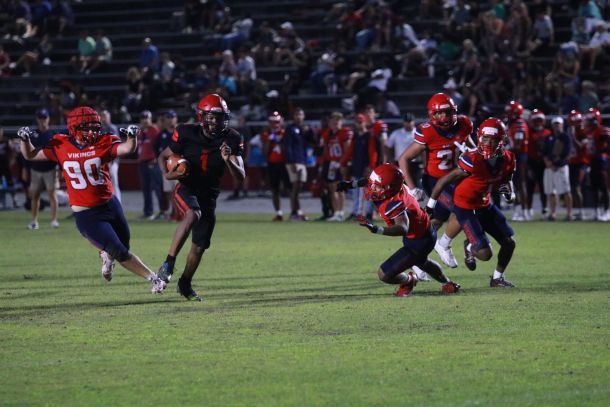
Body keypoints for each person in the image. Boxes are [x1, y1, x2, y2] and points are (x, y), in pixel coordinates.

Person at [17, 106, 167, 294]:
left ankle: (106, 257)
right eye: (87, 128)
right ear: (74, 128)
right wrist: (25, 140)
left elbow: (127, 148)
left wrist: (132, 137)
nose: (93, 132)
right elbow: (30, 154)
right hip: (87, 214)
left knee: (124, 244)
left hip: (110, 205)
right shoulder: (60, 144)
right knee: (120, 251)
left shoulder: (103, 141)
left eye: (95, 127)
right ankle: (154, 279)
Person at [157, 94, 245, 301]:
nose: (215, 121)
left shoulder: (232, 138)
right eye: (211, 117)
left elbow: (241, 176)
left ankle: (185, 284)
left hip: (209, 195)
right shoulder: (186, 132)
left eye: (219, 117)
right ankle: (168, 262)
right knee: (192, 213)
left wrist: (228, 160)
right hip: (186, 188)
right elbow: (163, 156)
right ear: (202, 116)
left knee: (199, 247)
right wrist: (168, 175)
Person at [337, 163, 460, 297]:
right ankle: (448, 283)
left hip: (418, 241)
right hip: (423, 231)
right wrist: (351, 184)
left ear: (388, 188)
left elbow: (402, 228)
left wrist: (377, 229)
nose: (372, 188)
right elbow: (369, 181)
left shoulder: (395, 203)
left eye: (376, 186)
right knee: (422, 261)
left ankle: (409, 280)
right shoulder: (395, 187)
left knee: (384, 274)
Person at [426, 118, 517, 288]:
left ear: (502, 140)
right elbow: (444, 180)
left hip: (485, 204)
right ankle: (469, 247)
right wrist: (430, 205)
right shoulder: (472, 158)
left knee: (509, 243)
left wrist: (510, 193)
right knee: (485, 254)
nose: (488, 143)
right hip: (465, 206)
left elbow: (507, 180)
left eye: (493, 140)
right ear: (479, 137)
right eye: (485, 139)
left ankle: (497, 278)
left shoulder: (508, 158)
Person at [398, 93, 474, 269]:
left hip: (457, 178)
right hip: (435, 181)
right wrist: (412, 188)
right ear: (432, 114)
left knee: (436, 222)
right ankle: (444, 243)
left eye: (447, 112)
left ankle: (415, 257)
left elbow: (471, 147)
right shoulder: (427, 132)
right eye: (440, 113)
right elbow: (403, 158)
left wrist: (472, 152)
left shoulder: (464, 124)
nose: (444, 117)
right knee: (462, 209)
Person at [26, 108, 59, 230]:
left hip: (50, 168)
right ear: (37, 119)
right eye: (40, 118)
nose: (42, 120)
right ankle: (34, 221)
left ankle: (54, 220)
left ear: (48, 119)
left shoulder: (53, 134)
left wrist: (61, 168)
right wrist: (25, 168)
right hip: (35, 169)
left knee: (52, 195)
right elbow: (27, 151)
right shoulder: (32, 134)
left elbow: (59, 152)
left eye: (44, 118)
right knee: (35, 196)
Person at [319, 112, 353, 222]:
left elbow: (347, 150)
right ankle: (336, 212)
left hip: (339, 162)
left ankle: (340, 212)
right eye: (333, 120)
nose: (335, 122)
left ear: (341, 122)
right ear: (329, 122)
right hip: (330, 163)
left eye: (338, 120)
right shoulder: (328, 133)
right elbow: (325, 149)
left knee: (339, 188)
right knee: (331, 188)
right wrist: (322, 164)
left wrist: (341, 163)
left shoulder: (344, 132)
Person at [284, 107, 312, 221]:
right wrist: (291, 161)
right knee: (296, 186)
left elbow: (312, 141)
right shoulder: (290, 129)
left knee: (299, 186)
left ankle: (297, 212)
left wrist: (309, 131)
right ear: (293, 116)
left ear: (303, 116)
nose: (298, 117)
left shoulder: (304, 129)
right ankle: (294, 213)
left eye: (300, 114)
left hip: (302, 160)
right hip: (294, 161)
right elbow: (288, 146)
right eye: (296, 115)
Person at [261, 111, 290, 221]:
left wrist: (281, 140)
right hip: (272, 164)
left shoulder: (286, 133)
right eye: (273, 122)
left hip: (285, 164)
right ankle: (279, 213)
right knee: (275, 189)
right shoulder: (266, 134)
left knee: (289, 188)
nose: (275, 125)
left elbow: (288, 151)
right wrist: (270, 140)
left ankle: (294, 211)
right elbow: (265, 153)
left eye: (277, 122)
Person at [542, 117, 573, 221]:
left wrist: (556, 163)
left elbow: (566, 153)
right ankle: (553, 213)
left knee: (566, 191)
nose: (557, 126)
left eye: (558, 124)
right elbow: (544, 152)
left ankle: (569, 214)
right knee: (551, 191)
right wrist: (549, 164)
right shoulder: (548, 137)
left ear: (562, 125)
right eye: (555, 124)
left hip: (561, 167)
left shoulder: (565, 137)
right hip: (549, 167)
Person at [504, 101, 530, 221]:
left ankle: (524, 211)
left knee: (521, 183)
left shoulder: (519, 124)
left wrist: (505, 149)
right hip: (513, 156)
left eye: (509, 112)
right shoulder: (511, 124)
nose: (507, 114)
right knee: (513, 184)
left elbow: (518, 146)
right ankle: (518, 210)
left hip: (519, 156)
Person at [582, 107, 609, 221]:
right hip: (592, 161)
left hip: (601, 161)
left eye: (589, 120)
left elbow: (607, 145)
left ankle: (607, 211)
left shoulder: (602, 130)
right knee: (594, 188)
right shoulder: (590, 132)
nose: (587, 122)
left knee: (603, 187)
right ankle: (597, 211)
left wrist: (600, 152)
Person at [137, 110, 163, 220]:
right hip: (142, 162)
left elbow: (160, 146)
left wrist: (156, 158)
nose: (145, 120)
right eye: (143, 118)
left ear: (150, 119)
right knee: (145, 189)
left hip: (153, 162)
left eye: (147, 118)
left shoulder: (155, 130)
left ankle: (163, 212)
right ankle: (148, 212)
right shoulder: (140, 131)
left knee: (158, 188)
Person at [566, 110, 589, 220]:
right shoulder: (570, 131)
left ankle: (581, 212)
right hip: (572, 162)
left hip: (581, 163)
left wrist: (573, 136)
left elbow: (580, 146)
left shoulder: (583, 132)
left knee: (577, 187)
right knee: (572, 188)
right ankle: (578, 211)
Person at [99, 109, 121, 203]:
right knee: (103, 184)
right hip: (102, 160)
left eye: (105, 116)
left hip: (112, 160)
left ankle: (118, 204)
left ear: (109, 117)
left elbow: (114, 144)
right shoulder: (99, 129)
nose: (104, 118)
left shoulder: (112, 128)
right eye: (102, 116)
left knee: (114, 183)